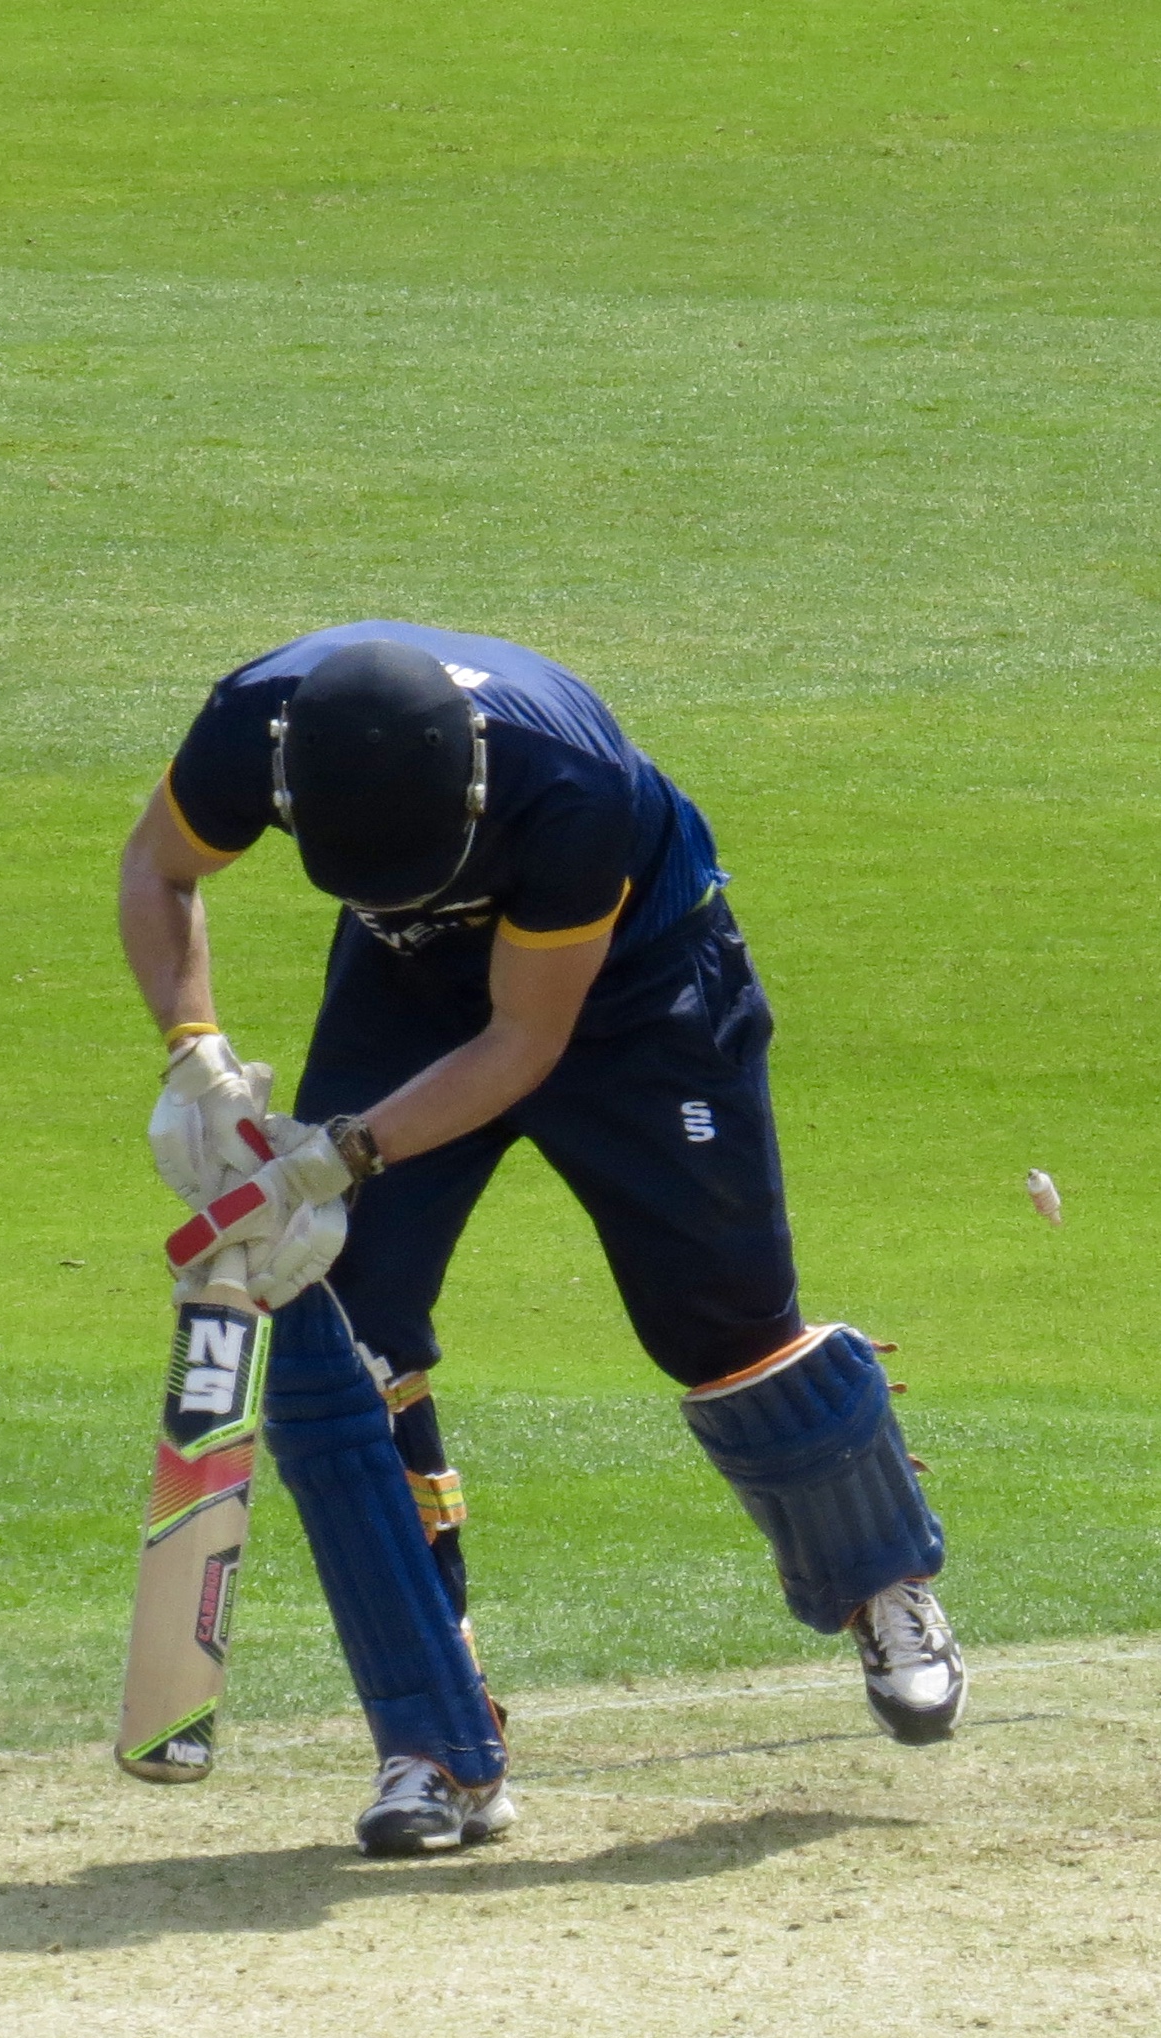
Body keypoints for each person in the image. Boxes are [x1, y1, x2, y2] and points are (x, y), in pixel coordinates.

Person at [118, 621, 963, 1856]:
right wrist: (192, 1052)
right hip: (408, 983)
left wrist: (335, 1155)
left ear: (467, 790)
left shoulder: (571, 785)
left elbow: (522, 1043)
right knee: (344, 1326)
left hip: (634, 989)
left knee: (722, 1329)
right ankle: (436, 1742)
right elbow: (158, 868)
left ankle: (880, 1582)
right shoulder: (256, 725)